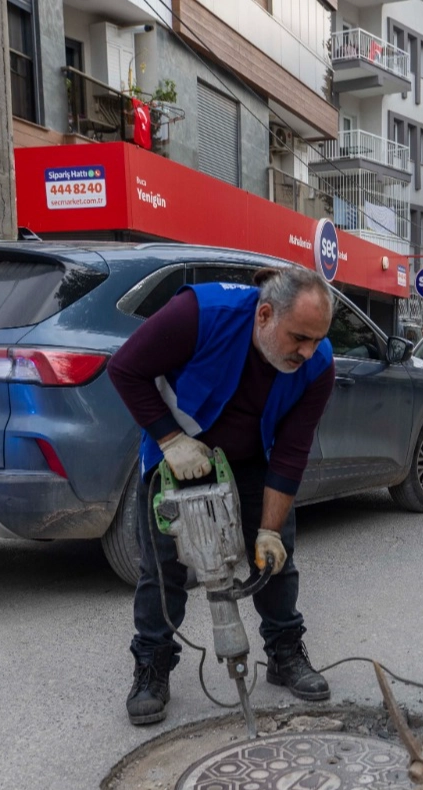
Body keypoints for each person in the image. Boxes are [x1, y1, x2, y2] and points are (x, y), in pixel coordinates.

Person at [107, 266, 336, 725]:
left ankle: (284, 651)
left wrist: (269, 531)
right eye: (299, 338)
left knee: (276, 560)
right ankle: (152, 664)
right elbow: (125, 369)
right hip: (180, 453)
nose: (307, 352)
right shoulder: (199, 314)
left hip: (255, 460)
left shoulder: (319, 365)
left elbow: (292, 452)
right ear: (265, 314)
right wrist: (170, 440)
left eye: (316, 340)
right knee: (163, 566)